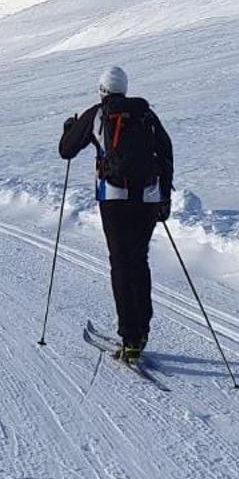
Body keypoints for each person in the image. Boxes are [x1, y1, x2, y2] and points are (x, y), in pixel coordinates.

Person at [58, 65, 174, 362]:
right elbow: (165, 150)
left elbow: (66, 151)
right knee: (139, 260)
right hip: (148, 198)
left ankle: (130, 338)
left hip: (114, 199)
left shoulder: (97, 114)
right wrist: (164, 196)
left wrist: (70, 129)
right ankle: (142, 329)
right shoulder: (146, 114)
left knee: (121, 264)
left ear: (103, 90)